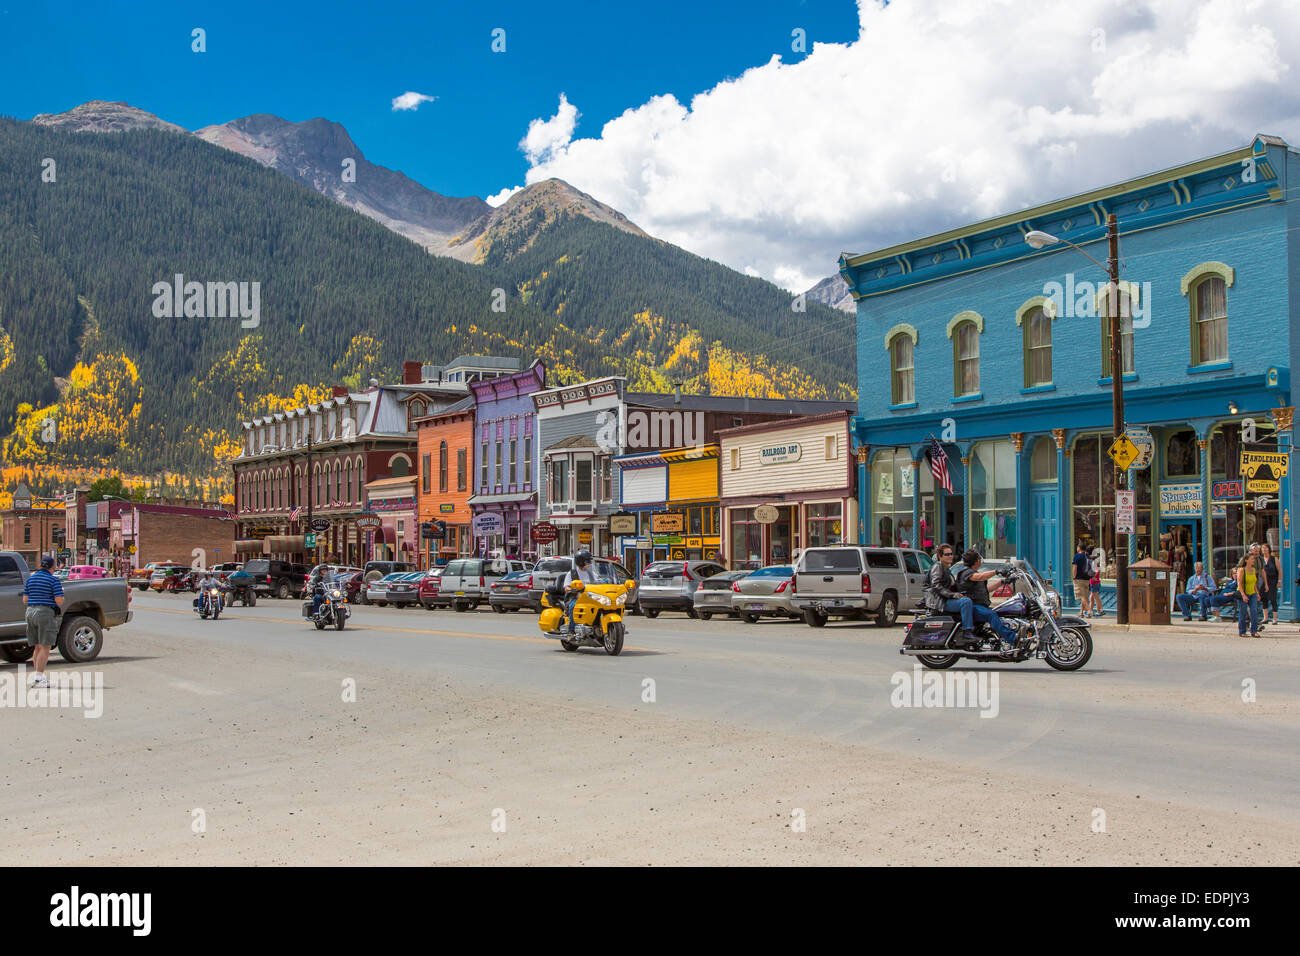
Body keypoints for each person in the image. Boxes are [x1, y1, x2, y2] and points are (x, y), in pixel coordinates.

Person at [954, 550, 1017, 647]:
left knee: (1001, 612)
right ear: (977, 561)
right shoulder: (966, 573)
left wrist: (1003, 581)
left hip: (979, 605)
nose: (980, 560)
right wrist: (996, 571)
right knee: (991, 615)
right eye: (979, 558)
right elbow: (980, 577)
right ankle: (1013, 638)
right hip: (972, 606)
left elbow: (986, 589)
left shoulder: (973, 573)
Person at [923, 545, 978, 648]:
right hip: (940, 602)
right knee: (966, 602)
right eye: (947, 554)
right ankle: (967, 631)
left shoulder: (947, 569)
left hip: (945, 599)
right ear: (940, 556)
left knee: (969, 600)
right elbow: (936, 586)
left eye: (951, 554)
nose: (950, 556)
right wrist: (953, 595)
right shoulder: (938, 567)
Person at [23, 556, 64, 688]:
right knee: (45, 646)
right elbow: (59, 601)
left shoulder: (31, 579)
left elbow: (25, 600)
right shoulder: (53, 580)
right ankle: (39, 678)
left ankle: (37, 676)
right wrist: (61, 594)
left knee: (37, 646)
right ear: (53, 567)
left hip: (30, 612)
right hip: (44, 613)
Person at [562, 550, 600, 634]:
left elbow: (599, 582)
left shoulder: (592, 573)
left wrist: (606, 581)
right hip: (577, 598)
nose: (590, 563)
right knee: (573, 606)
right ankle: (571, 630)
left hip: (591, 598)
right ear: (581, 562)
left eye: (590, 561)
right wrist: (572, 589)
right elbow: (566, 587)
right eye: (588, 561)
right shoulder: (572, 573)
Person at [1234, 554, 1261, 638]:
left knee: (1254, 611)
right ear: (1246, 560)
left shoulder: (1253, 570)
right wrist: (1243, 595)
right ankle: (1242, 631)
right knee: (1243, 612)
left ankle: (1254, 631)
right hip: (1243, 593)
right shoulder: (1241, 570)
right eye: (1252, 559)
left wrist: (1257, 593)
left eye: (1253, 559)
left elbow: (1254, 583)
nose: (1253, 560)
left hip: (1252, 593)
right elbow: (1239, 583)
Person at [1259, 543, 1280, 627]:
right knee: (1264, 599)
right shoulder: (1260, 559)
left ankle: (1275, 618)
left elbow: (1279, 570)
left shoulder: (1274, 559)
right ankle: (1265, 618)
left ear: (1269, 549)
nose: (1264, 550)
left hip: (1272, 581)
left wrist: (1279, 581)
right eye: (1263, 548)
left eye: (1266, 548)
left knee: (1273, 599)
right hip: (1263, 581)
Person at [1072, 542, 1092, 615]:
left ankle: (1089, 610)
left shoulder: (1077, 556)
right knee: (1085, 596)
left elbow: (1075, 568)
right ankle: (1082, 612)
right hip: (1087, 578)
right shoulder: (1088, 556)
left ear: (1079, 548)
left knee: (1081, 595)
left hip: (1079, 578)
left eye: (1077, 547)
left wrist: (1074, 577)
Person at [1088, 549, 1105, 618]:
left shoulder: (1093, 565)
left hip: (1094, 583)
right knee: (1091, 598)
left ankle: (1099, 611)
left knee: (1095, 597)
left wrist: (1093, 577)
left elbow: (1097, 571)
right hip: (1094, 583)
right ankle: (1090, 611)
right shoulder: (1095, 565)